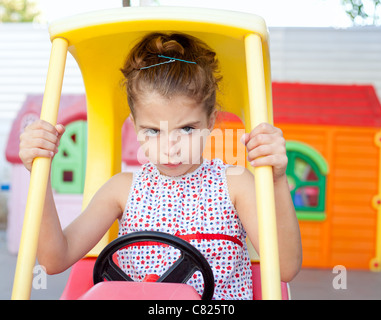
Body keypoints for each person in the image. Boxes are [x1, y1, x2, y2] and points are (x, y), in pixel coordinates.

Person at [19, 32, 302, 300]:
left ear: (211, 122)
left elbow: (285, 268)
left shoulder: (235, 183)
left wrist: (276, 180)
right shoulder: (123, 189)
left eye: (187, 129)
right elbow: (55, 259)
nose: (170, 147)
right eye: (153, 131)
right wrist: (39, 173)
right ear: (134, 125)